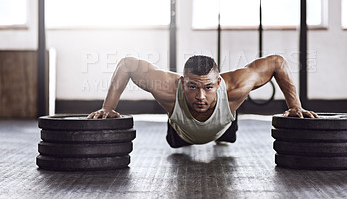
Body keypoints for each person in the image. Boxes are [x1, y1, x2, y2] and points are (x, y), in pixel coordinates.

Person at [88, 55, 318, 148]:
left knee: (228, 131)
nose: (200, 96)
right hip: (179, 134)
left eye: (208, 87)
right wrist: (108, 108)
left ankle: (228, 124)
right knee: (177, 141)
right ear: (181, 82)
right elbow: (127, 64)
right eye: (192, 87)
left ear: (218, 83)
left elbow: (277, 62)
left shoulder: (236, 86)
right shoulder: (168, 88)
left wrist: (294, 106)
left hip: (224, 128)